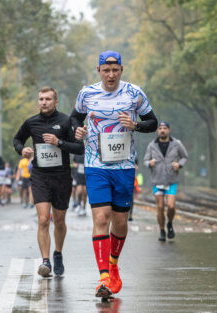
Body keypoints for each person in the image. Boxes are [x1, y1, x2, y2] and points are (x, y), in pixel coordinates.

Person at [71, 50, 158, 299]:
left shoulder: (134, 93)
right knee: (101, 216)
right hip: (95, 163)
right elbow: (74, 118)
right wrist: (77, 130)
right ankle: (103, 278)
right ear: (98, 70)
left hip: (124, 166)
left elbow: (152, 121)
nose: (111, 74)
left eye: (115, 70)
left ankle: (113, 264)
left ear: (121, 70)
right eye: (106, 70)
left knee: (120, 223)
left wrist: (136, 125)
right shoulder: (86, 93)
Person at [13, 86, 84, 277]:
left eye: (48, 99)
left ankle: (58, 253)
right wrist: (22, 150)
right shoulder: (31, 122)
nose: (43, 102)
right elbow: (17, 139)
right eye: (41, 99)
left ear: (56, 101)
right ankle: (46, 262)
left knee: (59, 220)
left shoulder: (65, 121)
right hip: (40, 176)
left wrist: (58, 142)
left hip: (61, 176)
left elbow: (79, 148)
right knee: (44, 220)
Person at [143, 121, 188, 241]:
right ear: (157, 131)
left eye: (165, 128)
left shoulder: (176, 144)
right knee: (160, 207)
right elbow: (145, 160)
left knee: (171, 206)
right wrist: (149, 163)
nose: (162, 130)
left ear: (169, 130)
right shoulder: (152, 145)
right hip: (157, 180)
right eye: (160, 128)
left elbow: (184, 157)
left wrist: (179, 164)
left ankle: (170, 223)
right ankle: (162, 230)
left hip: (171, 180)